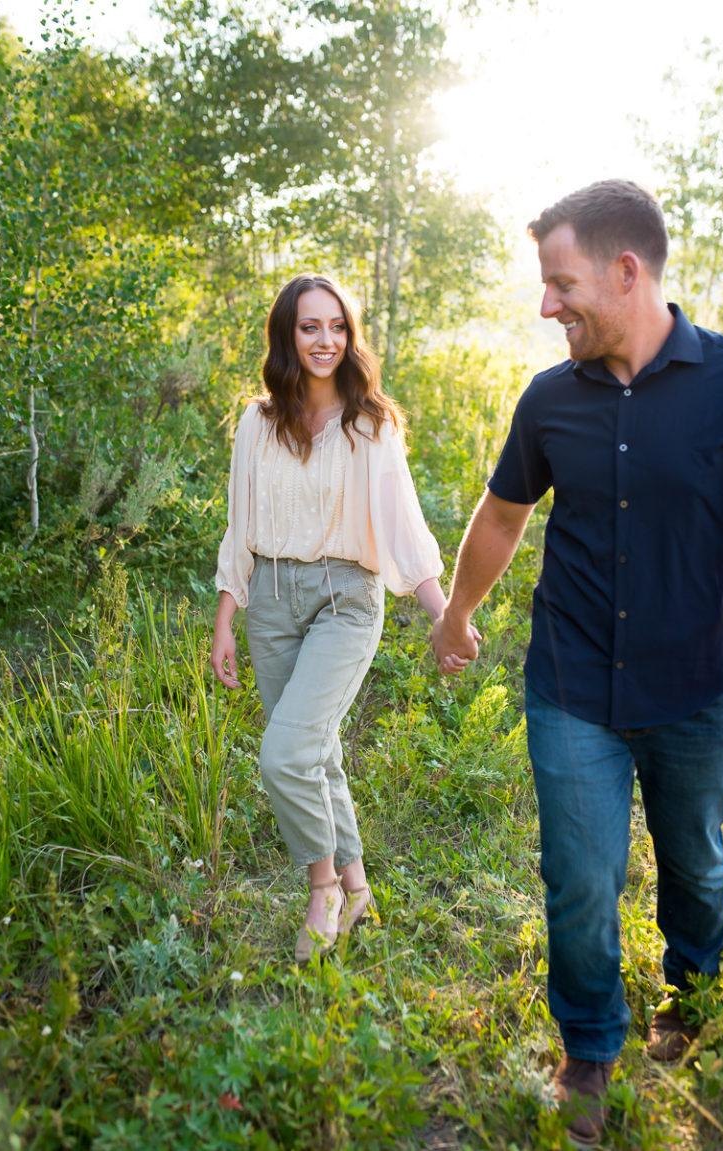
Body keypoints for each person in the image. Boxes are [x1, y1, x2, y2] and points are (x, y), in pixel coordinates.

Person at [431, 180, 723, 1146]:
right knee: (578, 875)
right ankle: (588, 1046)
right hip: (571, 682)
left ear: (627, 272)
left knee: (696, 865)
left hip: (696, 691)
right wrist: (456, 612)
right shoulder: (548, 400)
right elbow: (501, 516)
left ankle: (695, 998)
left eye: (560, 283)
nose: (547, 306)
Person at [211, 272, 452, 964]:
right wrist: (227, 616)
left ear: (351, 336)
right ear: (288, 334)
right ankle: (361, 886)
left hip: (347, 597)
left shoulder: (369, 422)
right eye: (310, 326)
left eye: (338, 326)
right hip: (275, 602)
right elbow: (240, 524)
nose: (326, 340)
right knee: (317, 750)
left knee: (285, 752)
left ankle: (323, 891)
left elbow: (404, 526)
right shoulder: (257, 423)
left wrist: (442, 613)